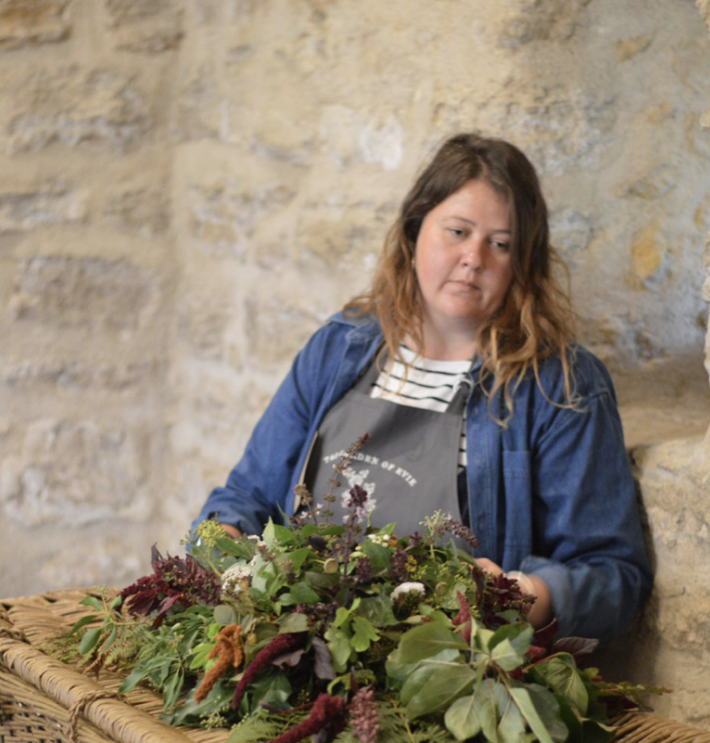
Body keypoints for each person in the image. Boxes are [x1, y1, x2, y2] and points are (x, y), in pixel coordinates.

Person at [192, 134, 652, 644]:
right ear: (414, 233)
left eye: (500, 244)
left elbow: (613, 575)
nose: (473, 257)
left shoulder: (559, 387)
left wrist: (520, 596)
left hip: (443, 661)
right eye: (457, 231)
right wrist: (220, 551)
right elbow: (244, 497)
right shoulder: (338, 349)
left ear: (522, 263)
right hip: (294, 642)